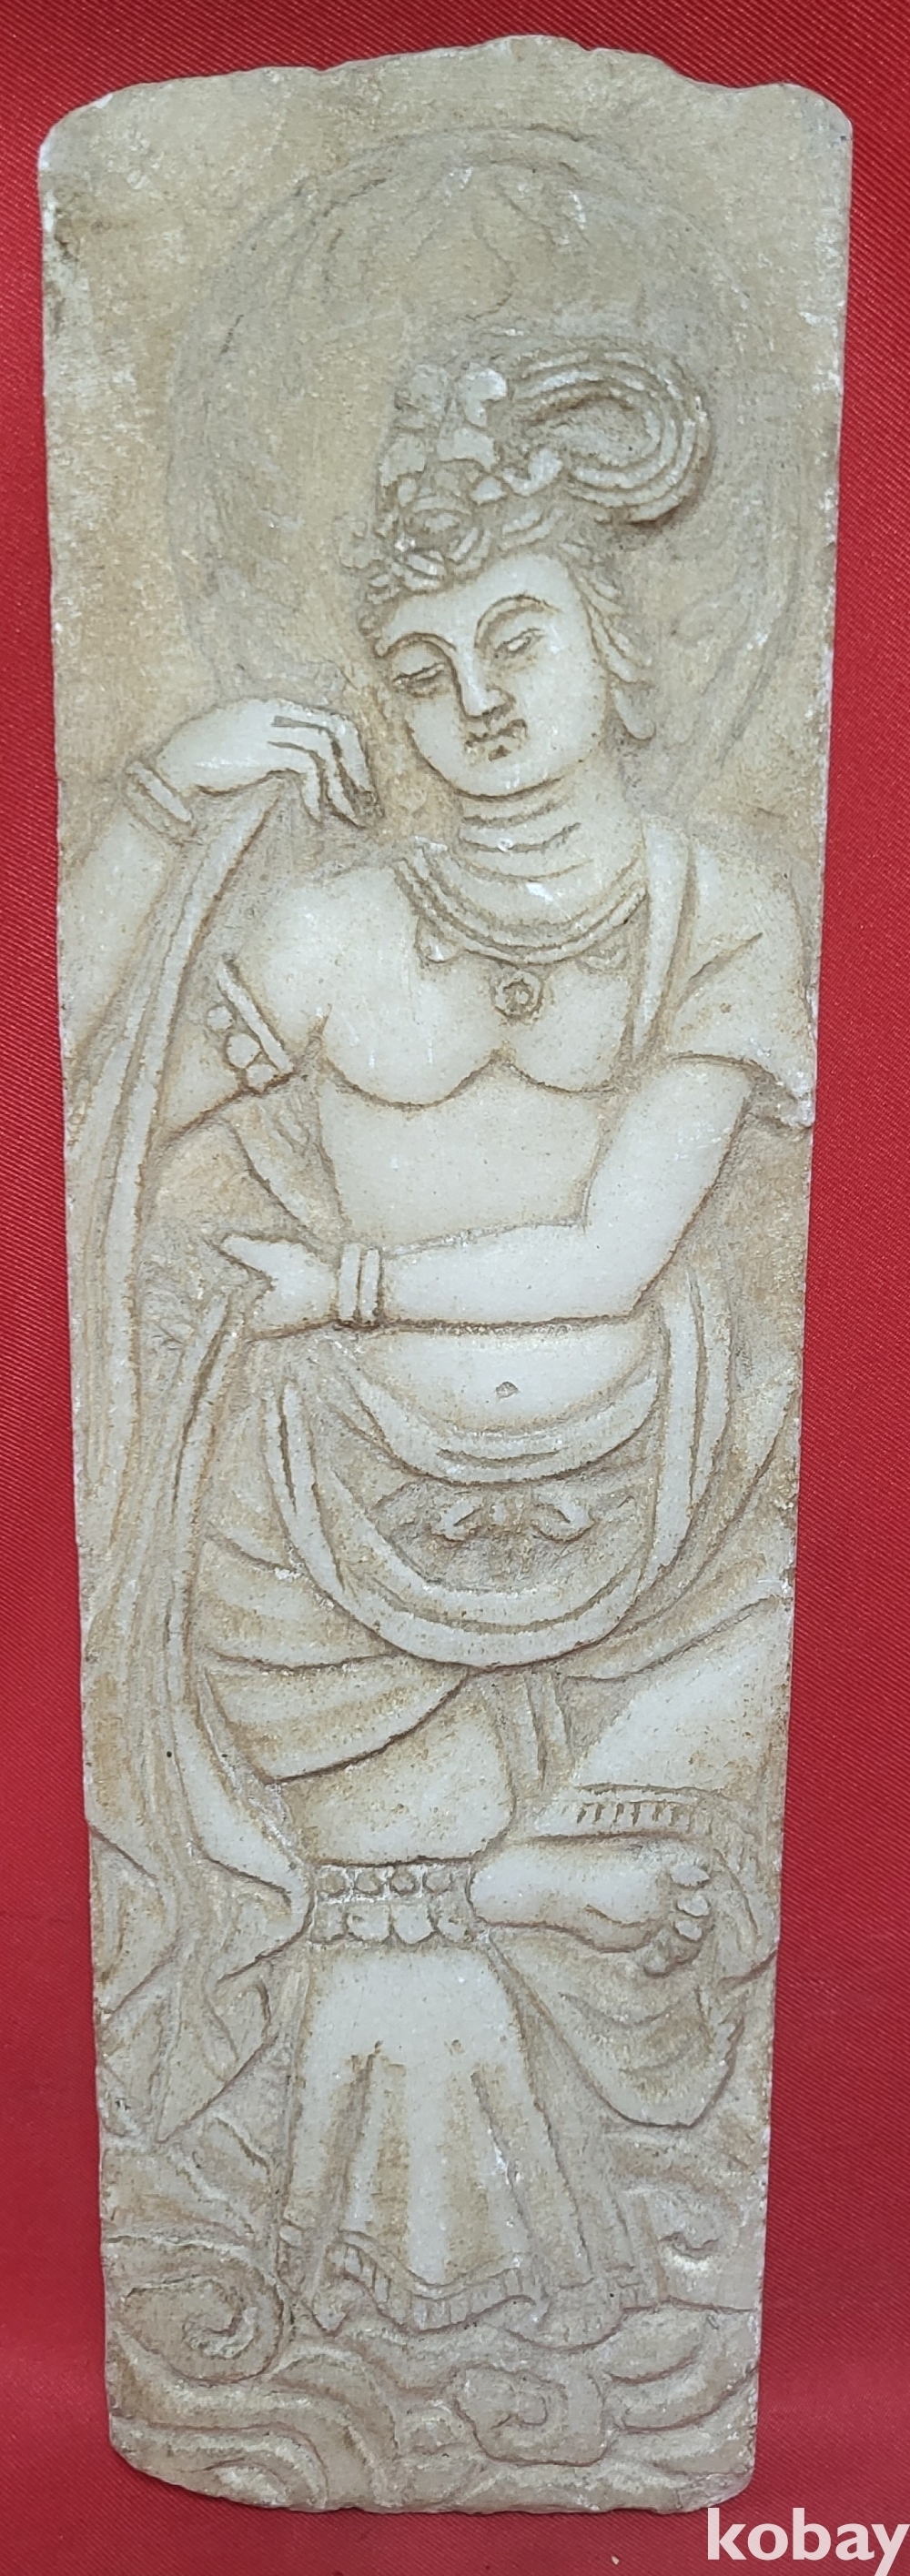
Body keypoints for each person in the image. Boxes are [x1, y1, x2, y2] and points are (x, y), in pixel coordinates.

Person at [69, 343, 813, 2457]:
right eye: (415, 669)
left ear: (614, 642)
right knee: (381, 1973)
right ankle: (314, 2383)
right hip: (313, 1552)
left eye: (514, 637)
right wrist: (160, 801)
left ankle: (615, 2365)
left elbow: (614, 1248)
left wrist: (344, 1284)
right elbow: (74, 1099)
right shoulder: (320, 936)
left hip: (664, 1527)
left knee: (677, 1825)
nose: (471, 701)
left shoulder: (714, 911)